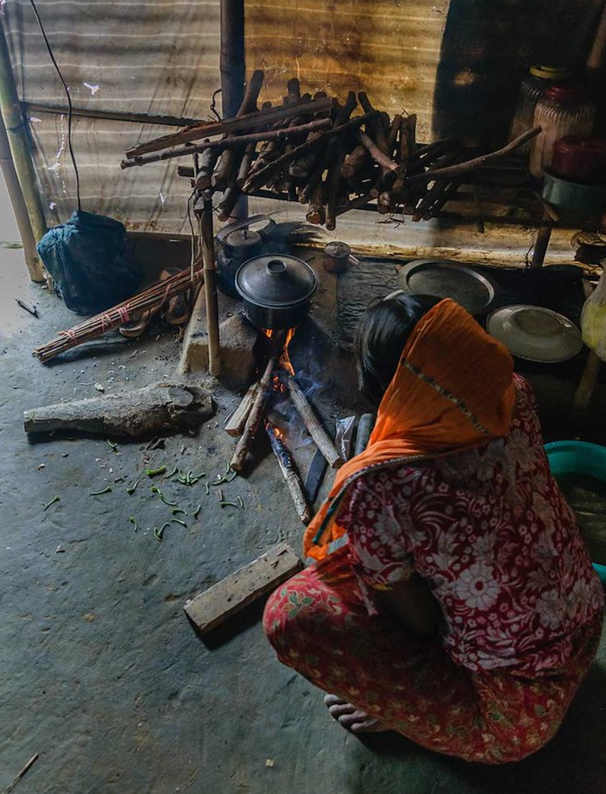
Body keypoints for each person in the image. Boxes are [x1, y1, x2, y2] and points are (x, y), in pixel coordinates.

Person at [263, 293, 605, 764]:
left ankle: (404, 713)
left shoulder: (378, 486)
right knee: (397, 552)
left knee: (290, 610)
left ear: (386, 384)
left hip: (512, 718)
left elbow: (418, 623)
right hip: (586, 632)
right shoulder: (511, 393)